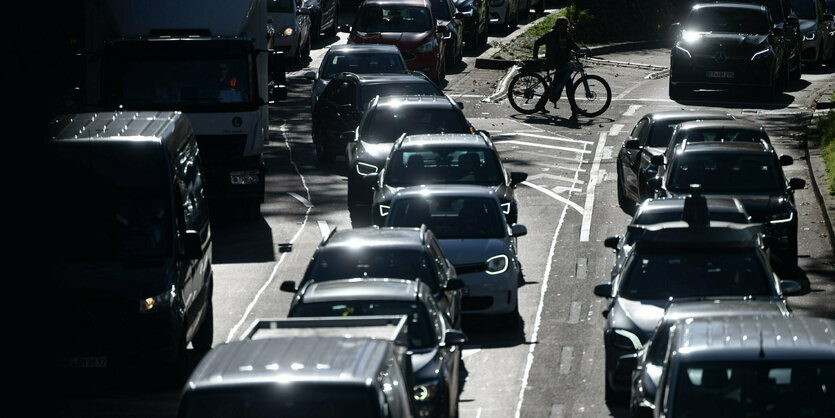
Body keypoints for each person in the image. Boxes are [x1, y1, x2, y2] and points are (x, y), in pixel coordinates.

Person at [532, 17, 582, 113]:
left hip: (564, 63)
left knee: (566, 86)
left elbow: (572, 44)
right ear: (558, 26)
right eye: (564, 26)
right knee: (560, 86)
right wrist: (535, 57)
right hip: (555, 62)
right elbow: (537, 43)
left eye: (566, 26)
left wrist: (579, 51)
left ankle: (541, 105)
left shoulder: (566, 35)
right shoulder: (551, 34)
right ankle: (573, 108)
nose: (566, 28)